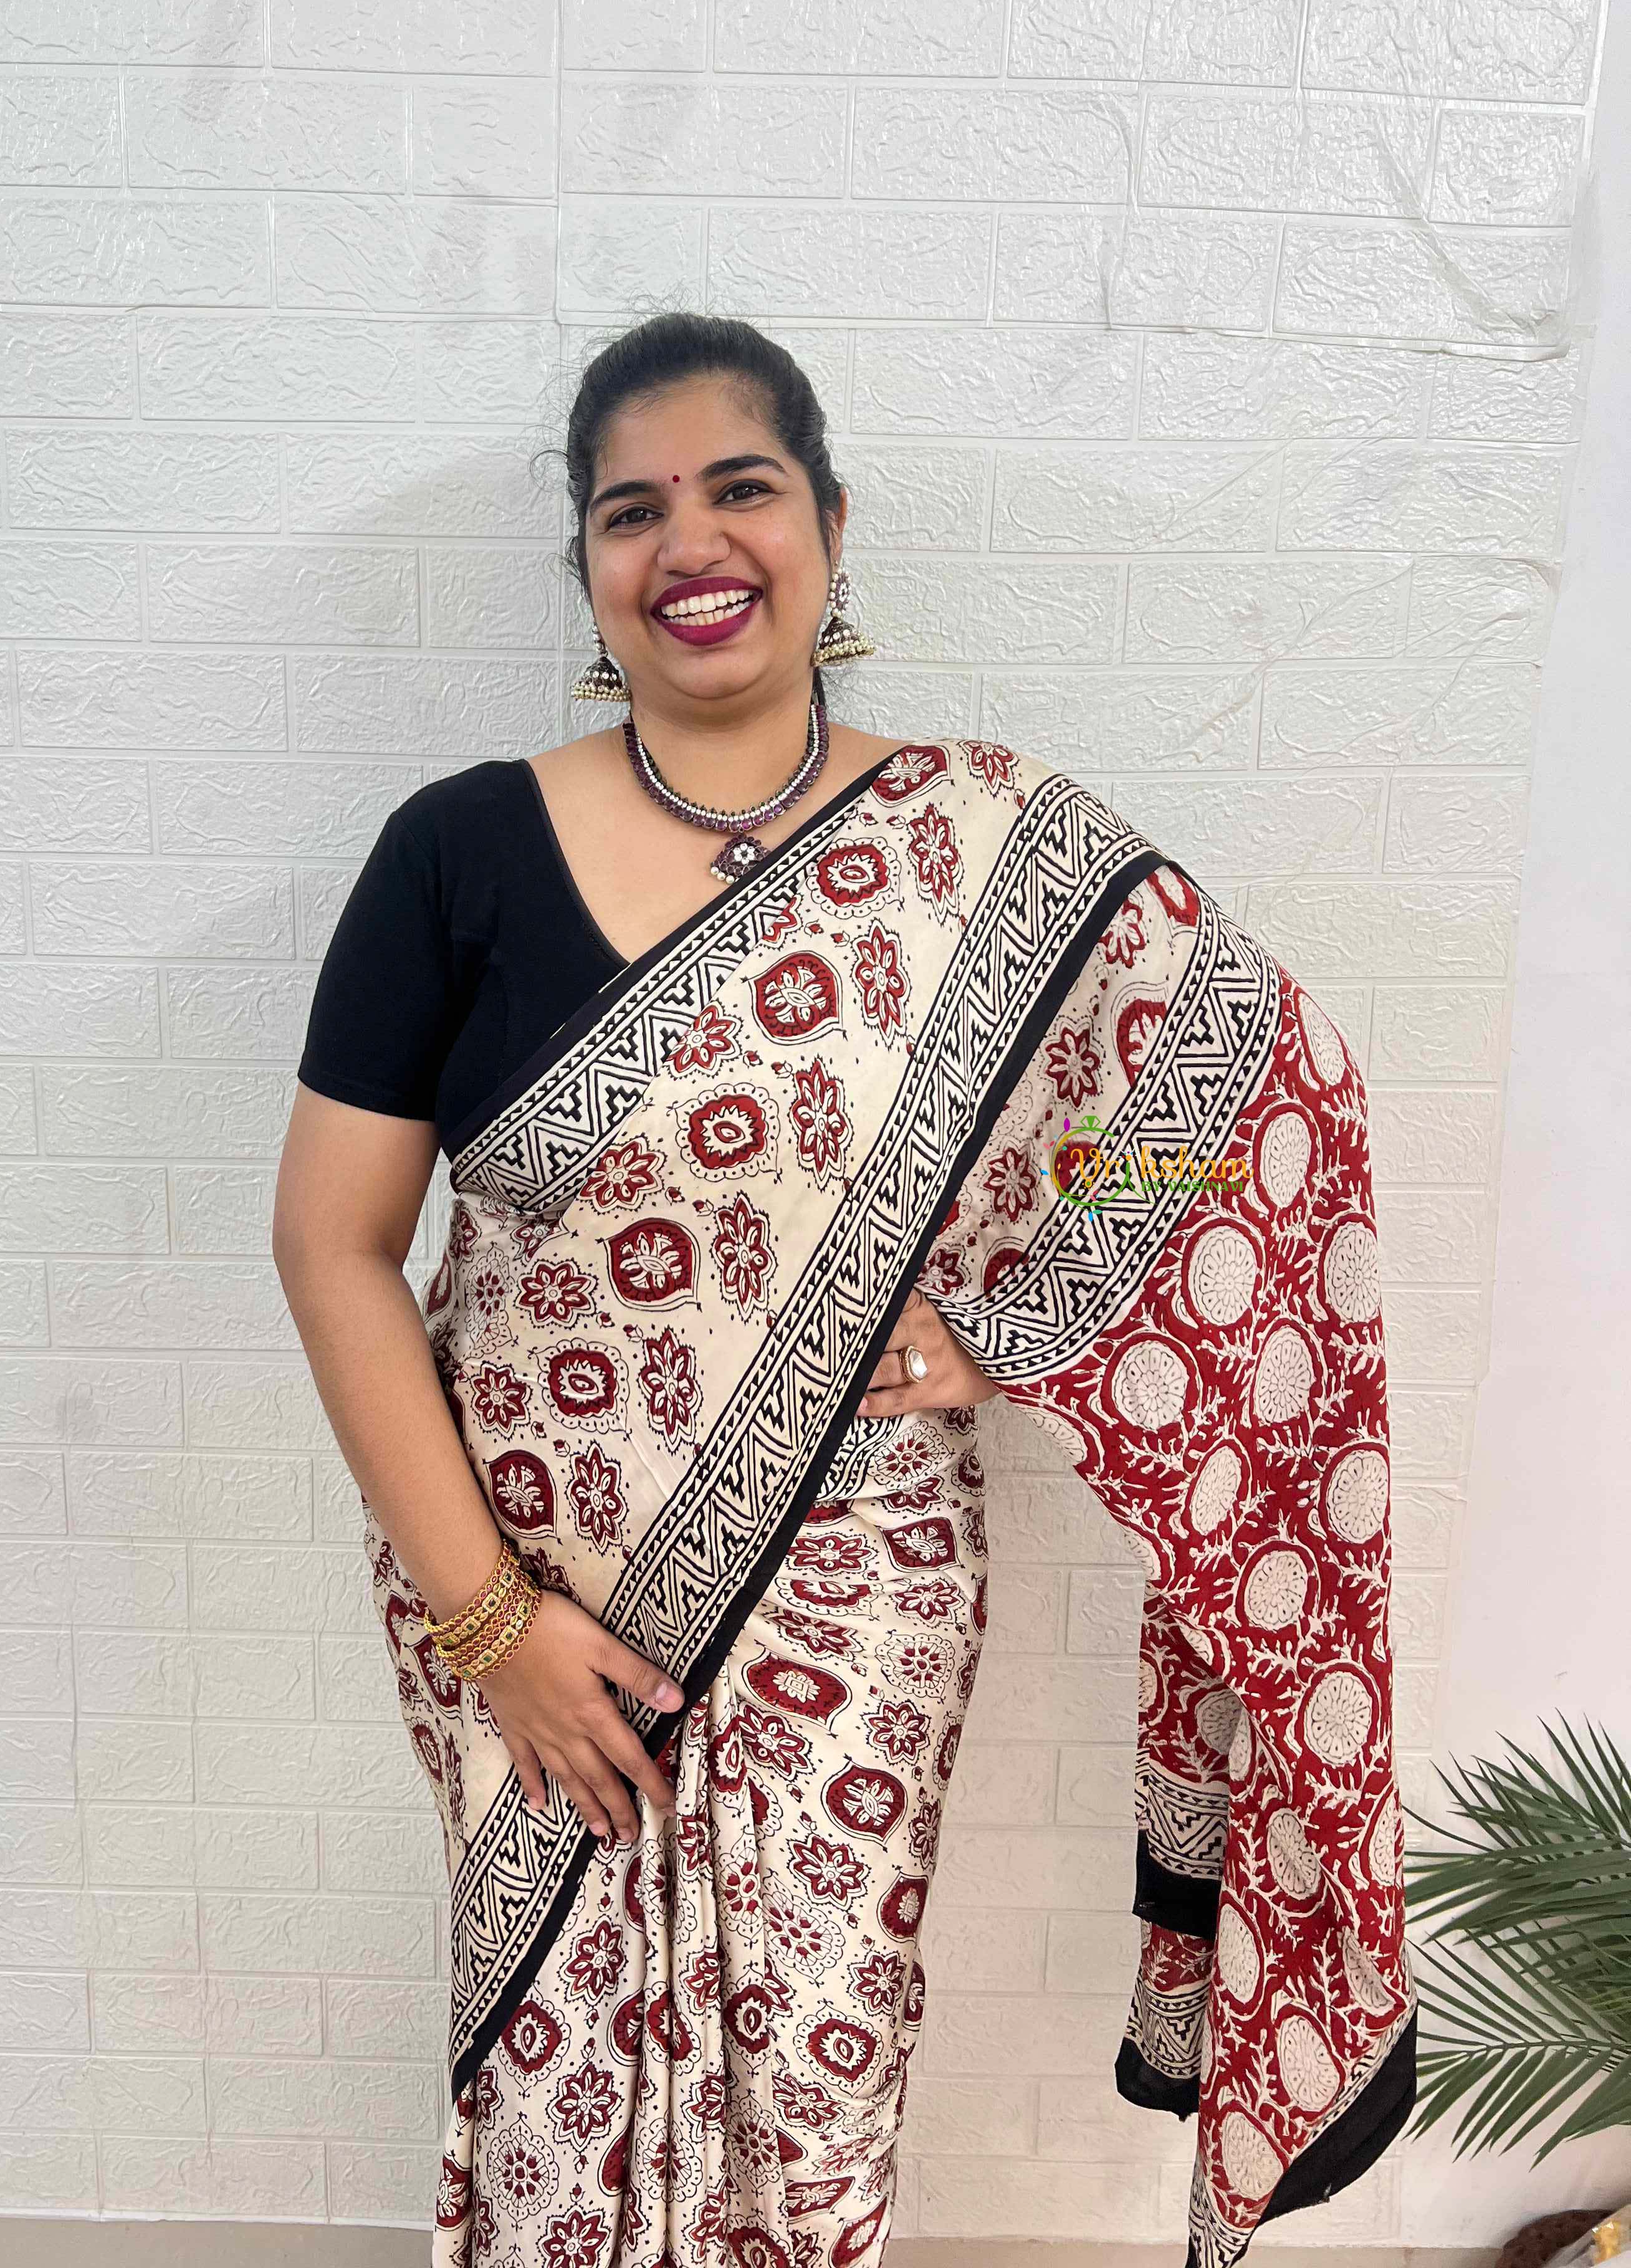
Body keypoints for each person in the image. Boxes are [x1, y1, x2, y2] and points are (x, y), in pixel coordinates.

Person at [273, 315, 1417, 2268]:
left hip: (861, 1580)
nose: (689, 544)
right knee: (545, 2073)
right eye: (630, 512)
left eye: (742, 487)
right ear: (587, 567)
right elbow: (331, 1245)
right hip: (520, 1582)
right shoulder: (457, 852)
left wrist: (1019, 1325)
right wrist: (495, 1628)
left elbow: (1249, 1082)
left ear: (828, 522)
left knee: (820, 2077)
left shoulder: (988, 844)